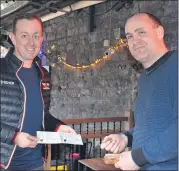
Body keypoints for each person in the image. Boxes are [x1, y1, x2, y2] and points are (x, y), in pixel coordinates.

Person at [101, 12, 178, 170]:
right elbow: (153, 126)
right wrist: (126, 138)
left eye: (141, 32)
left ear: (159, 32)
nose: (135, 41)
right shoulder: (145, 78)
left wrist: (138, 158)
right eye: (129, 36)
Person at [0, 14, 76, 170]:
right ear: (13, 38)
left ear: (41, 39)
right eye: (24, 36)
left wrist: (58, 127)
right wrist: (14, 137)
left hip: (36, 163)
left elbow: (42, 115)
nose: (31, 42)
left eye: (36, 36)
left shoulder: (43, 74)